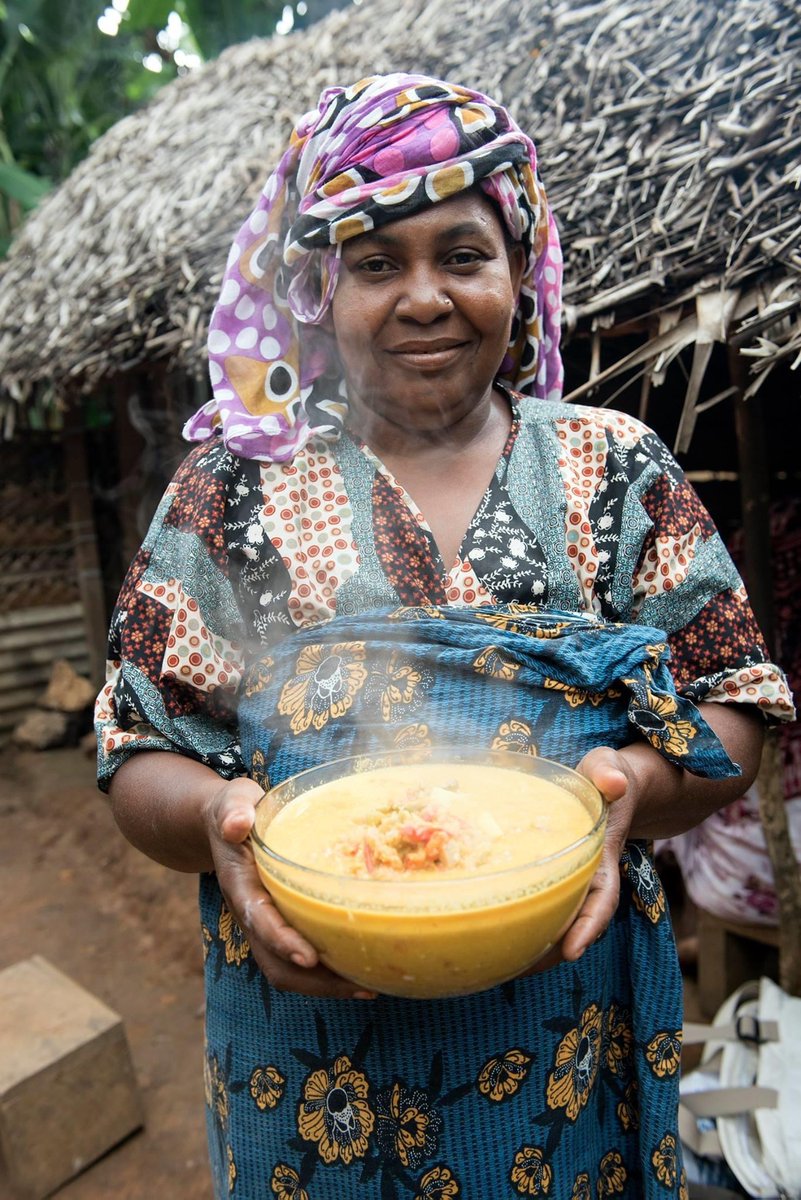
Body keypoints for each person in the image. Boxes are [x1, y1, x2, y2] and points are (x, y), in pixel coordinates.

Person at [95, 73, 793, 1199]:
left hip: (568, 1049)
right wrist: (222, 831)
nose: (424, 296)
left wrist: (628, 783)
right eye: (377, 261)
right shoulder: (230, 493)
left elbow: (735, 706)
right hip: (308, 1062)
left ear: (519, 270)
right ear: (321, 286)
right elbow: (139, 746)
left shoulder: (614, 471)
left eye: (463, 255)